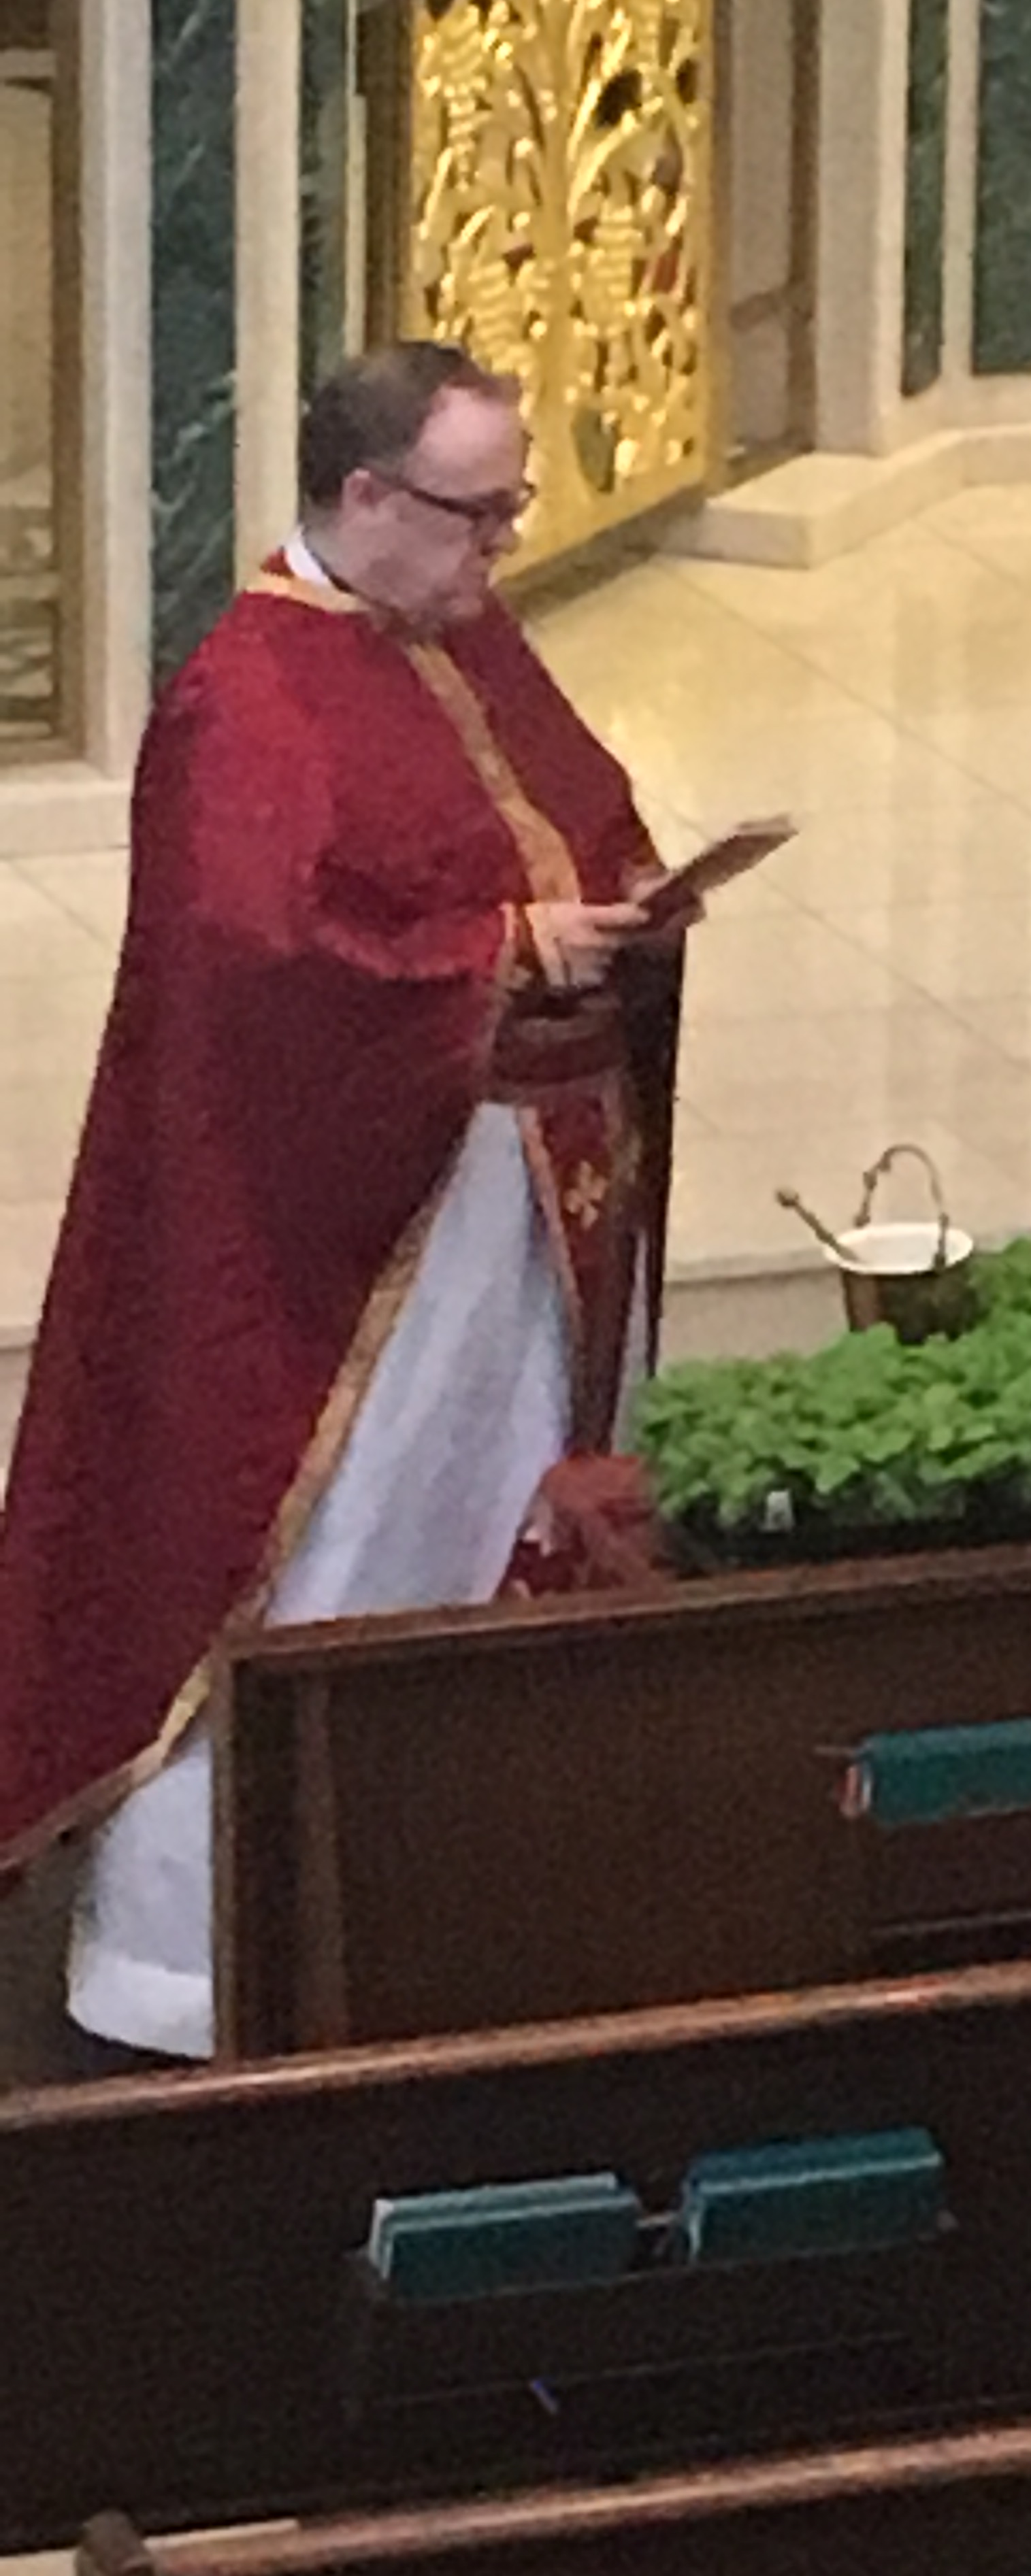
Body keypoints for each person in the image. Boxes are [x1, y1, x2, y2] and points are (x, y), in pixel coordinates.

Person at [0, 341, 689, 2058]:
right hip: (347, 1256)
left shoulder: (456, 634)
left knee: (493, 1530)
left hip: (520, 1207)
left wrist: (625, 914)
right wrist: (499, 953)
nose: (502, 551)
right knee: (337, 1554)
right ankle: (203, 1955)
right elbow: (258, 962)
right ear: (365, 498)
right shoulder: (246, 700)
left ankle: (465, 1894)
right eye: (477, 514)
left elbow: (578, 817)